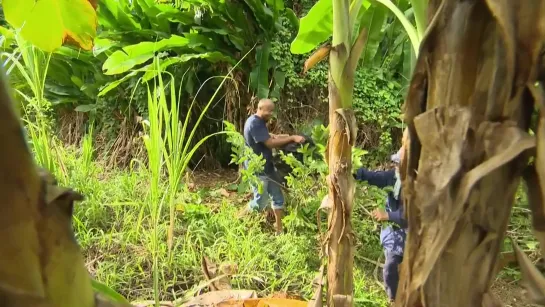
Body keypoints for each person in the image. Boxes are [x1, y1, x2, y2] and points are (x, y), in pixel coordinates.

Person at [354, 129, 408, 302]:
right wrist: (355, 172)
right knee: (391, 266)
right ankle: (394, 299)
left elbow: (416, 214)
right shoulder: (394, 177)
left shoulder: (420, 184)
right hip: (395, 234)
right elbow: (374, 177)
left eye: (400, 164)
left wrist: (388, 216)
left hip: (414, 233)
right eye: (396, 163)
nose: (396, 167)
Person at [243, 98, 305, 234]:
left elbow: (269, 137)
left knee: (278, 197)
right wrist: (292, 138)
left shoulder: (258, 122)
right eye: (268, 111)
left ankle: (279, 230)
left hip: (268, 167)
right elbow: (269, 143)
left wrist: (283, 136)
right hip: (258, 169)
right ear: (260, 109)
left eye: (272, 111)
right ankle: (240, 220)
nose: (271, 114)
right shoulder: (254, 123)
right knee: (259, 202)